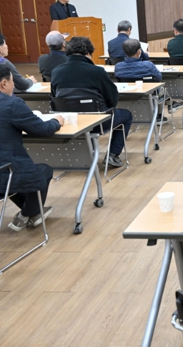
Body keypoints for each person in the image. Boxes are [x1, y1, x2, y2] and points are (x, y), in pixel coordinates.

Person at [0, 64, 64, 231]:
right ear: (4, 84)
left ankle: (31, 213)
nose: (14, 85)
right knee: (43, 171)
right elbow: (42, 130)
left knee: (13, 173)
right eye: (12, 81)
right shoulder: (12, 104)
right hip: (4, 174)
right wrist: (56, 121)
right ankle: (28, 213)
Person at [51, 37, 132, 167]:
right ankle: (112, 154)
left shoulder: (56, 71)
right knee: (126, 115)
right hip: (98, 123)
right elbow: (112, 98)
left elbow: (54, 96)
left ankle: (84, 155)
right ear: (88, 53)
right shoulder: (97, 71)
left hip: (70, 121)